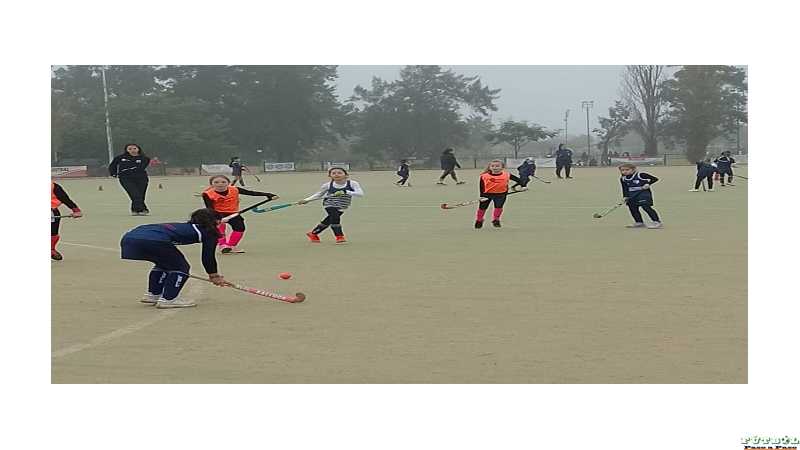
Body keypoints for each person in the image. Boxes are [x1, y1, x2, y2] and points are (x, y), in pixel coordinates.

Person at [120, 208, 229, 308]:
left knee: (163, 264)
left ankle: (153, 294)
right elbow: (208, 256)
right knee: (181, 267)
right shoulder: (209, 233)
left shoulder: (184, 227)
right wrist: (214, 275)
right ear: (217, 222)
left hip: (130, 238)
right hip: (153, 240)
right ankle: (169, 299)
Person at [202, 175, 278, 254]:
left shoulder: (235, 189)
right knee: (220, 228)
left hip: (233, 213)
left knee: (240, 228)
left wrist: (268, 194)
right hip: (217, 213)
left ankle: (231, 246)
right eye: (216, 182)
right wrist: (217, 218)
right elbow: (209, 208)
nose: (220, 184)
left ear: (228, 183)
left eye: (223, 182)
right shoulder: (207, 194)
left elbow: (251, 193)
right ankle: (222, 245)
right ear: (211, 184)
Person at [300, 167, 364, 244]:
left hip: (343, 206)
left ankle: (313, 233)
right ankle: (339, 236)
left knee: (329, 220)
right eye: (333, 173)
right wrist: (307, 200)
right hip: (329, 203)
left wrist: (346, 191)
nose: (336, 174)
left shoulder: (352, 183)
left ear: (346, 175)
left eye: (339, 173)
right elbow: (318, 195)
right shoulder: (327, 185)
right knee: (335, 217)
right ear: (330, 176)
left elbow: (360, 194)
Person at [475, 160, 524, 229]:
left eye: (497, 166)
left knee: (498, 207)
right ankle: (479, 220)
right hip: (486, 195)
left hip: (501, 195)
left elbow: (519, 180)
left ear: (502, 167)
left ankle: (496, 220)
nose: (495, 167)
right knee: (482, 208)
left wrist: (523, 186)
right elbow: (481, 186)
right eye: (492, 166)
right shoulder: (484, 176)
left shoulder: (507, 175)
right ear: (489, 167)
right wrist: (482, 196)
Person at [108, 143, 151, 215]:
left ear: (138, 149)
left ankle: (136, 210)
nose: (132, 150)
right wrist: (113, 173)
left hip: (141, 178)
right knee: (134, 194)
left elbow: (140, 167)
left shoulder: (145, 158)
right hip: (125, 179)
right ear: (126, 150)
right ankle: (141, 209)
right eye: (130, 149)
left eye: (134, 148)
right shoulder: (120, 158)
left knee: (141, 195)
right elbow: (113, 165)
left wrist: (128, 169)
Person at [618, 163, 662, 229]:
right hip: (632, 195)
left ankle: (657, 222)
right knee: (632, 208)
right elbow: (625, 188)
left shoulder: (641, 175)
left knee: (645, 206)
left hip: (643, 193)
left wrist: (648, 184)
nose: (625, 171)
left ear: (633, 169)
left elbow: (655, 179)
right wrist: (625, 197)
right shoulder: (623, 178)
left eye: (627, 170)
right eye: (623, 170)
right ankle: (639, 222)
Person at [51, 181, 83, 260]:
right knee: (53, 232)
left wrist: (76, 210)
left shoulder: (52, 186)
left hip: (51, 211)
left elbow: (64, 198)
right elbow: (64, 198)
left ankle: (51, 249)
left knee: (53, 233)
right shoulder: (52, 185)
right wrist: (76, 210)